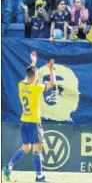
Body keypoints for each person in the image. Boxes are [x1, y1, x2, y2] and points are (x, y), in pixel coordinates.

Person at [2, 51, 56, 182]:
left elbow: (29, 75)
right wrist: (51, 69)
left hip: (24, 121)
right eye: (37, 75)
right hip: (33, 122)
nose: (38, 76)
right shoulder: (36, 88)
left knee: (25, 147)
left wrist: (33, 62)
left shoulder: (21, 85)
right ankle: (39, 176)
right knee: (37, 149)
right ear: (35, 77)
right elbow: (52, 83)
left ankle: (8, 167)